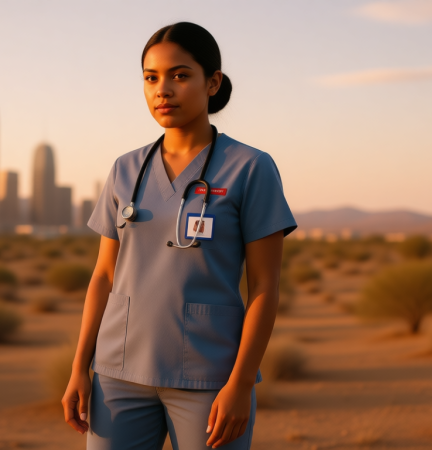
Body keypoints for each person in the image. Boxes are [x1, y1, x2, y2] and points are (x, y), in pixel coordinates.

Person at [61, 22, 296, 450]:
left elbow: (265, 286)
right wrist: (81, 366)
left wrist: (241, 383)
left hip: (209, 377)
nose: (162, 90)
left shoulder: (250, 168)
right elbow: (103, 276)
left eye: (180, 75)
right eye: (151, 78)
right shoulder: (125, 169)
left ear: (212, 82)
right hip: (117, 375)